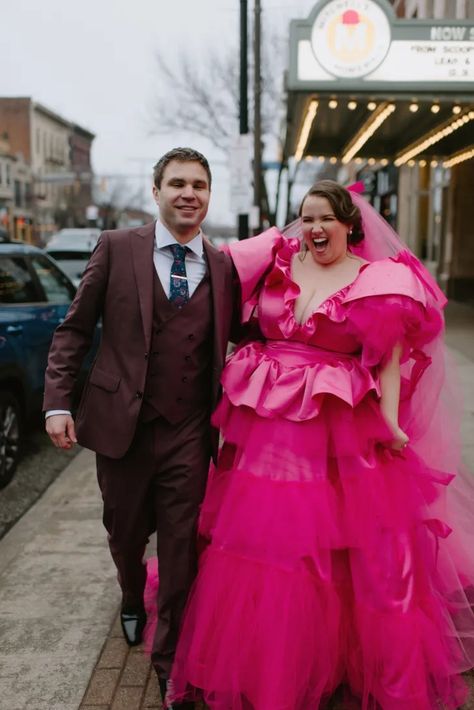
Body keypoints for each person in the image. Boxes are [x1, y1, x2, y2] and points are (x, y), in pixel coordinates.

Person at [146, 180, 474, 709]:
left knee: (336, 548)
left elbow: (388, 357)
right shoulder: (276, 264)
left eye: (325, 218)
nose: (313, 229)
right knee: (262, 544)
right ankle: (264, 656)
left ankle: (328, 655)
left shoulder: (379, 280)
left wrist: (390, 423)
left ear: (349, 224)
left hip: (333, 426)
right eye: (306, 218)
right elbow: (216, 304)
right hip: (265, 427)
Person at [43, 147, 235, 710]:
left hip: (191, 432)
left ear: (208, 194)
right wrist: (58, 402)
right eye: (177, 183)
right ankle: (131, 591)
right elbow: (73, 330)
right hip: (121, 426)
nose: (188, 193)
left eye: (199, 184)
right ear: (155, 192)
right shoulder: (116, 247)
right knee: (126, 535)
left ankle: (170, 668)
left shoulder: (222, 268)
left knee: (181, 551)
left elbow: (248, 338)